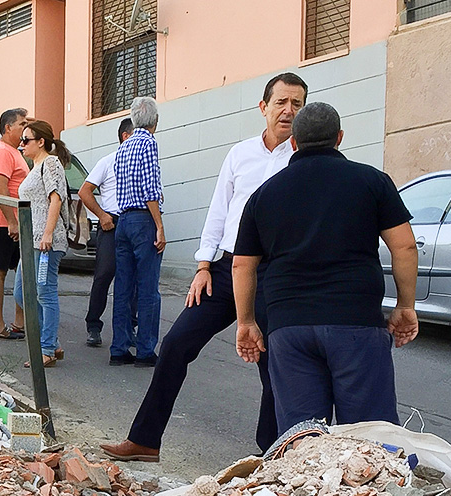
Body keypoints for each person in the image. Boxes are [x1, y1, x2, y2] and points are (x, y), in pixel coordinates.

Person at [101, 73, 307, 463]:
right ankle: (145, 440)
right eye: (281, 102)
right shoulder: (240, 154)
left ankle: (272, 456)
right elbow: (219, 212)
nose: (288, 111)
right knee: (177, 343)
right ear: (263, 108)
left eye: (296, 104)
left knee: (273, 364)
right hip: (225, 271)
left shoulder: (303, 159)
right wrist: (203, 266)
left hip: (273, 276)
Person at [233, 102, 419, 430]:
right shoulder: (372, 181)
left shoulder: (264, 195)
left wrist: (246, 322)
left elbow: (242, 266)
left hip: (289, 328)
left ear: (293, 142)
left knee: (302, 442)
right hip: (356, 324)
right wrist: (405, 305)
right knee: (369, 438)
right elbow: (404, 245)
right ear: (340, 138)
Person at [110, 96, 165, 367]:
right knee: (148, 288)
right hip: (144, 220)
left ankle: (118, 348)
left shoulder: (123, 147)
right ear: (155, 120)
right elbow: (150, 189)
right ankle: (145, 349)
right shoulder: (149, 143)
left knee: (123, 286)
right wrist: (159, 226)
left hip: (123, 220)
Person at [13, 120, 73, 368]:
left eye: (26, 140)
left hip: (45, 242)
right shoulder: (35, 166)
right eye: (21, 140)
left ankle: (46, 348)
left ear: (41, 142)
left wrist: (47, 234)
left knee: (44, 292)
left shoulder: (50, 163)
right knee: (20, 291)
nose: (21, 145)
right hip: (31, 242)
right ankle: (51, 342)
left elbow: (56, 199)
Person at [79, 117, 136, 348]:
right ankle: (93, 325)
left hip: (134, 221)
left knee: (133, 278)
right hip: (111, 223)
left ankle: (129, 326)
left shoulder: (142, 163)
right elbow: (85, 191)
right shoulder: (108, 161)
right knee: (104, 275)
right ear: (125, 136)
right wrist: (102, 215)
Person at [0, 108, 29, 341]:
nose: (25, 128)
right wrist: (12, 221)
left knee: (21, 269)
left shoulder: (14, 151)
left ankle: (19, 321)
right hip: (4, 222)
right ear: (8, 128)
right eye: (21, 124)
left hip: (14, 221)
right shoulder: (3, 152)